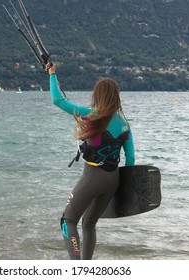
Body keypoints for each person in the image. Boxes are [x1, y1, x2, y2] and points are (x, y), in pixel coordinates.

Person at [47, 62, 135, 260]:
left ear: (98, 95)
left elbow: (57, 100)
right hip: (113, 182)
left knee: (67, 220)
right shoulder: (124, 124)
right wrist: (123, 189)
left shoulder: (90, 115)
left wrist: (52, 74)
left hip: (93, 178)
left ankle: (76, 266)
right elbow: (131, 158)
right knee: (88, 223)